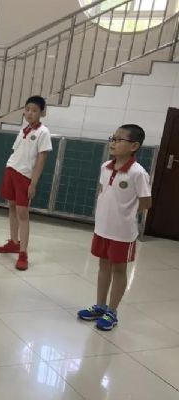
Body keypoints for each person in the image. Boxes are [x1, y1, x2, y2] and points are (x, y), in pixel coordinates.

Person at [78, 124, 151, 331]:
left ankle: (112, 312)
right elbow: (104, 192)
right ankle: (100, 306)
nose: (113, 143)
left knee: (119, 270)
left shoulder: (138, 173)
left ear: (134, 146)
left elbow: (146, 202)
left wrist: (125, 215)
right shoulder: (105, 167)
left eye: (119, 140)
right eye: (113, 138)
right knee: (103, 266)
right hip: (102, 228)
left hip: (123, 233)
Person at [0, 96, 52, 270]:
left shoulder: (43, 132)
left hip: (25, 176)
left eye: (34, 110)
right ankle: (14, 242)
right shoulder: (23, 130)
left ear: (42, 112)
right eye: (27, 109)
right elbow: (16, 151)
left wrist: (33, 183)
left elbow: (41, 160)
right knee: (12, 207)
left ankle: (23, 253)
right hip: (11, 170)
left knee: (23, 213)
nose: (30, 113)